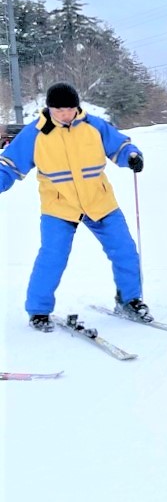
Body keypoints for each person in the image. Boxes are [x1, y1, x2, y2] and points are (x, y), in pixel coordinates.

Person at [0, 82, 149, 331]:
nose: (65, 115)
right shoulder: (35, 133)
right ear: (49, 109)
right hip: (59, 206)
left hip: (100, 202)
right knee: (52, 257)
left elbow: (120, 145)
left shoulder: (93, 125)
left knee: (125, 251)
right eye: (59, 110)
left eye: (69, 109)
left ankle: (129, 300)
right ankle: (38, 310)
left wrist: (132, 156)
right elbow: (9, 166)